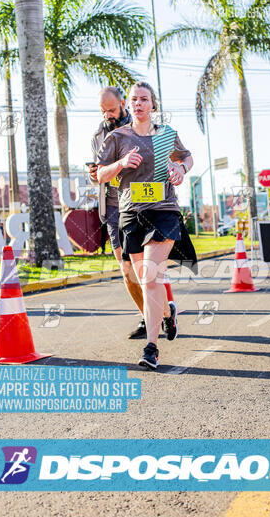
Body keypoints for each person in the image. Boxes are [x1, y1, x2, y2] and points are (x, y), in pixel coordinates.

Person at [97, 81, 196, 369]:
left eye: (145, 99)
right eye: (134, 99)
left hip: (163, 210)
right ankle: (167, 312)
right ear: (129, 104)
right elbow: (100, 174)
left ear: (153, 104)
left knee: (151, 275)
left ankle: (151, 348)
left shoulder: (166, 135)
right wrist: (121, 164)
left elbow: (187, 157)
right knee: (145, 278)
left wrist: (180, 168)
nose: (139, 103)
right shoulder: (117, 137)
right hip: (130, 213)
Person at [88, 86, 146, 338]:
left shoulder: (140, 125)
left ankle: (165, 313)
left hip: (140, 204)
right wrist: (93, 174)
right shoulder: (98, 135)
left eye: (111, 109)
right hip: (112, 206)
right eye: (103, 111)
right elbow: (99, 171)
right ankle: (148, 317)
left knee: (147, 267)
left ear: (123, 103)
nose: (107, 115)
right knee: (126, 269)